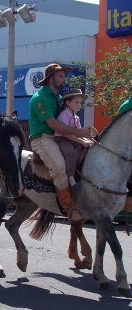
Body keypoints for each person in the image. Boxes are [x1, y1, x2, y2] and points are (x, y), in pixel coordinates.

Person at [29, 63, 95, 223]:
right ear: (50, 78)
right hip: (42, 138)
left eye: (64, 75)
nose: (63, 79)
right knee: (59, 167)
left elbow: (66, 125)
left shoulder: (59, 99)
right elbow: (53, 124)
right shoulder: (39, 98)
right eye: (60, 76)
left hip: (62, 137)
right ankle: (69, 207)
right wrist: (80, 133)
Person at [54, 89, 93, 192]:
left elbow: (79, 132)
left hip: (72, 139)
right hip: (62, 138)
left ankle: (80, 173)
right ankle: (71, 179)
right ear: (67, 102)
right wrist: (82, 141)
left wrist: (88, 140)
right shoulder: (63, 116)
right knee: (71, 152)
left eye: (80, 103)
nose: (79, 105)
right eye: (76, 102)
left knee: (85, 149)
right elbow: (66, 134)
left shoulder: (76, 117)